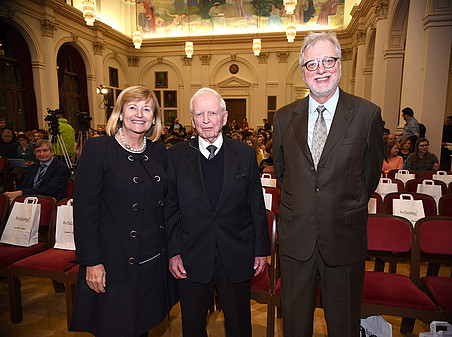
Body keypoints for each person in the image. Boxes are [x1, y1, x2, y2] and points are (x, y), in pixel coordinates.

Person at [272, 32, 384, 337]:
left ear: (339, 64)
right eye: (311, 64)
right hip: (297, 242)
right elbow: (284, 174)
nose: (320, 70)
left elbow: (369, 174)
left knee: (343, 325)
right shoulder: (284, 118)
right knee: (294, 325)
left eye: (327, 61)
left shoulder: (366, 114)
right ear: (303, 72)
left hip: (344, 239)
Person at [70, 86, 177, 337]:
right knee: (114, 327)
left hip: (152, 260)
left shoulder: (159, 151)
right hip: (113, 261)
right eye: (132, 107)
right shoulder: (99, 150)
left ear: (154, 118)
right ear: (119, 113)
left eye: (147, 109)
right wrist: (91, 263)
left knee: (142, 326)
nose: (139, 114)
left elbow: (168, 203)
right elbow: (84, 213)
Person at [165, 87, 270, 337]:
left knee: (239, 325)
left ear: (224, 118)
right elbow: (170, 209)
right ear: (191, 120)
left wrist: (261, 250)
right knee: (192, 326)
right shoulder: (176, 156)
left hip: (236, 253)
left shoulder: (244, 153)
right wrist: (174, 252)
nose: (206, 120)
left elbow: (256, 204)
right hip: (191, 255)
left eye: (212, 113)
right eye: (199, 114)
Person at [4, 140, 68, 202]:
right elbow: (24, 186)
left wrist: (21, 193)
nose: (42, 154)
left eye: (45, 150)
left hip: (49, 201)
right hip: (29, 200)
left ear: (52, 152)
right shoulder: (32, 167)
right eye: (38, 151)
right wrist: (18, 198)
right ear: (34, 154)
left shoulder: (61, 168)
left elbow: (49, 190)